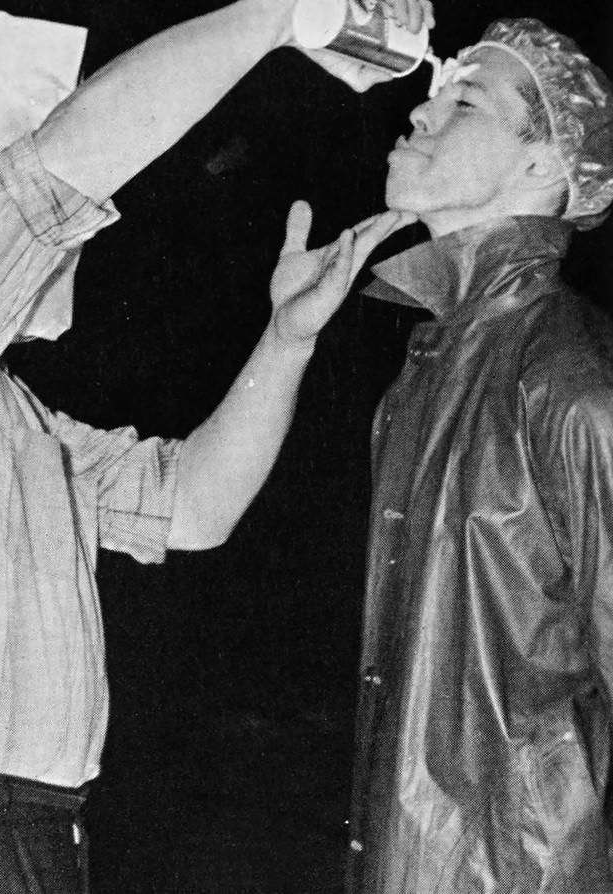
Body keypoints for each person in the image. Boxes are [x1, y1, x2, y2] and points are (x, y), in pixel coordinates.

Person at [0, 0, 433, 891]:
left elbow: (193, 506)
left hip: (29, 830)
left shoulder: (10, 418)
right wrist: (275, 16)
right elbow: (57, 175)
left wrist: (286, 340)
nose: (60, 248)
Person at [345, 17, 613, 894]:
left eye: (463, 102)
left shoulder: (570, 379)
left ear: (543, 165)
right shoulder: (431, 367)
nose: (418, 115)